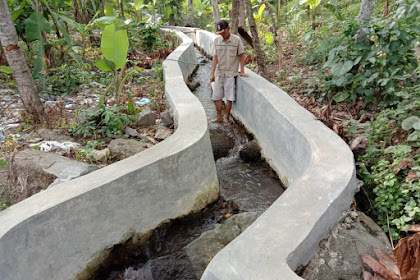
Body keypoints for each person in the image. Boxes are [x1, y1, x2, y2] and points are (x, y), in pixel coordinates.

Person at [210, 20, 248, 125]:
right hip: (219, 72)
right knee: (217, 96)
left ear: (228, 28)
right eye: (220, 33)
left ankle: (226, 118)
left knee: (229, 97)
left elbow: (241, 56)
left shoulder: (236, 40)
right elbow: (215, 58)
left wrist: (242, 71)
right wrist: (212, 73)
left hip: (231, 74)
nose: (222, 34)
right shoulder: (216, 41)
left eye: (223, 31)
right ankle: (219, 117)